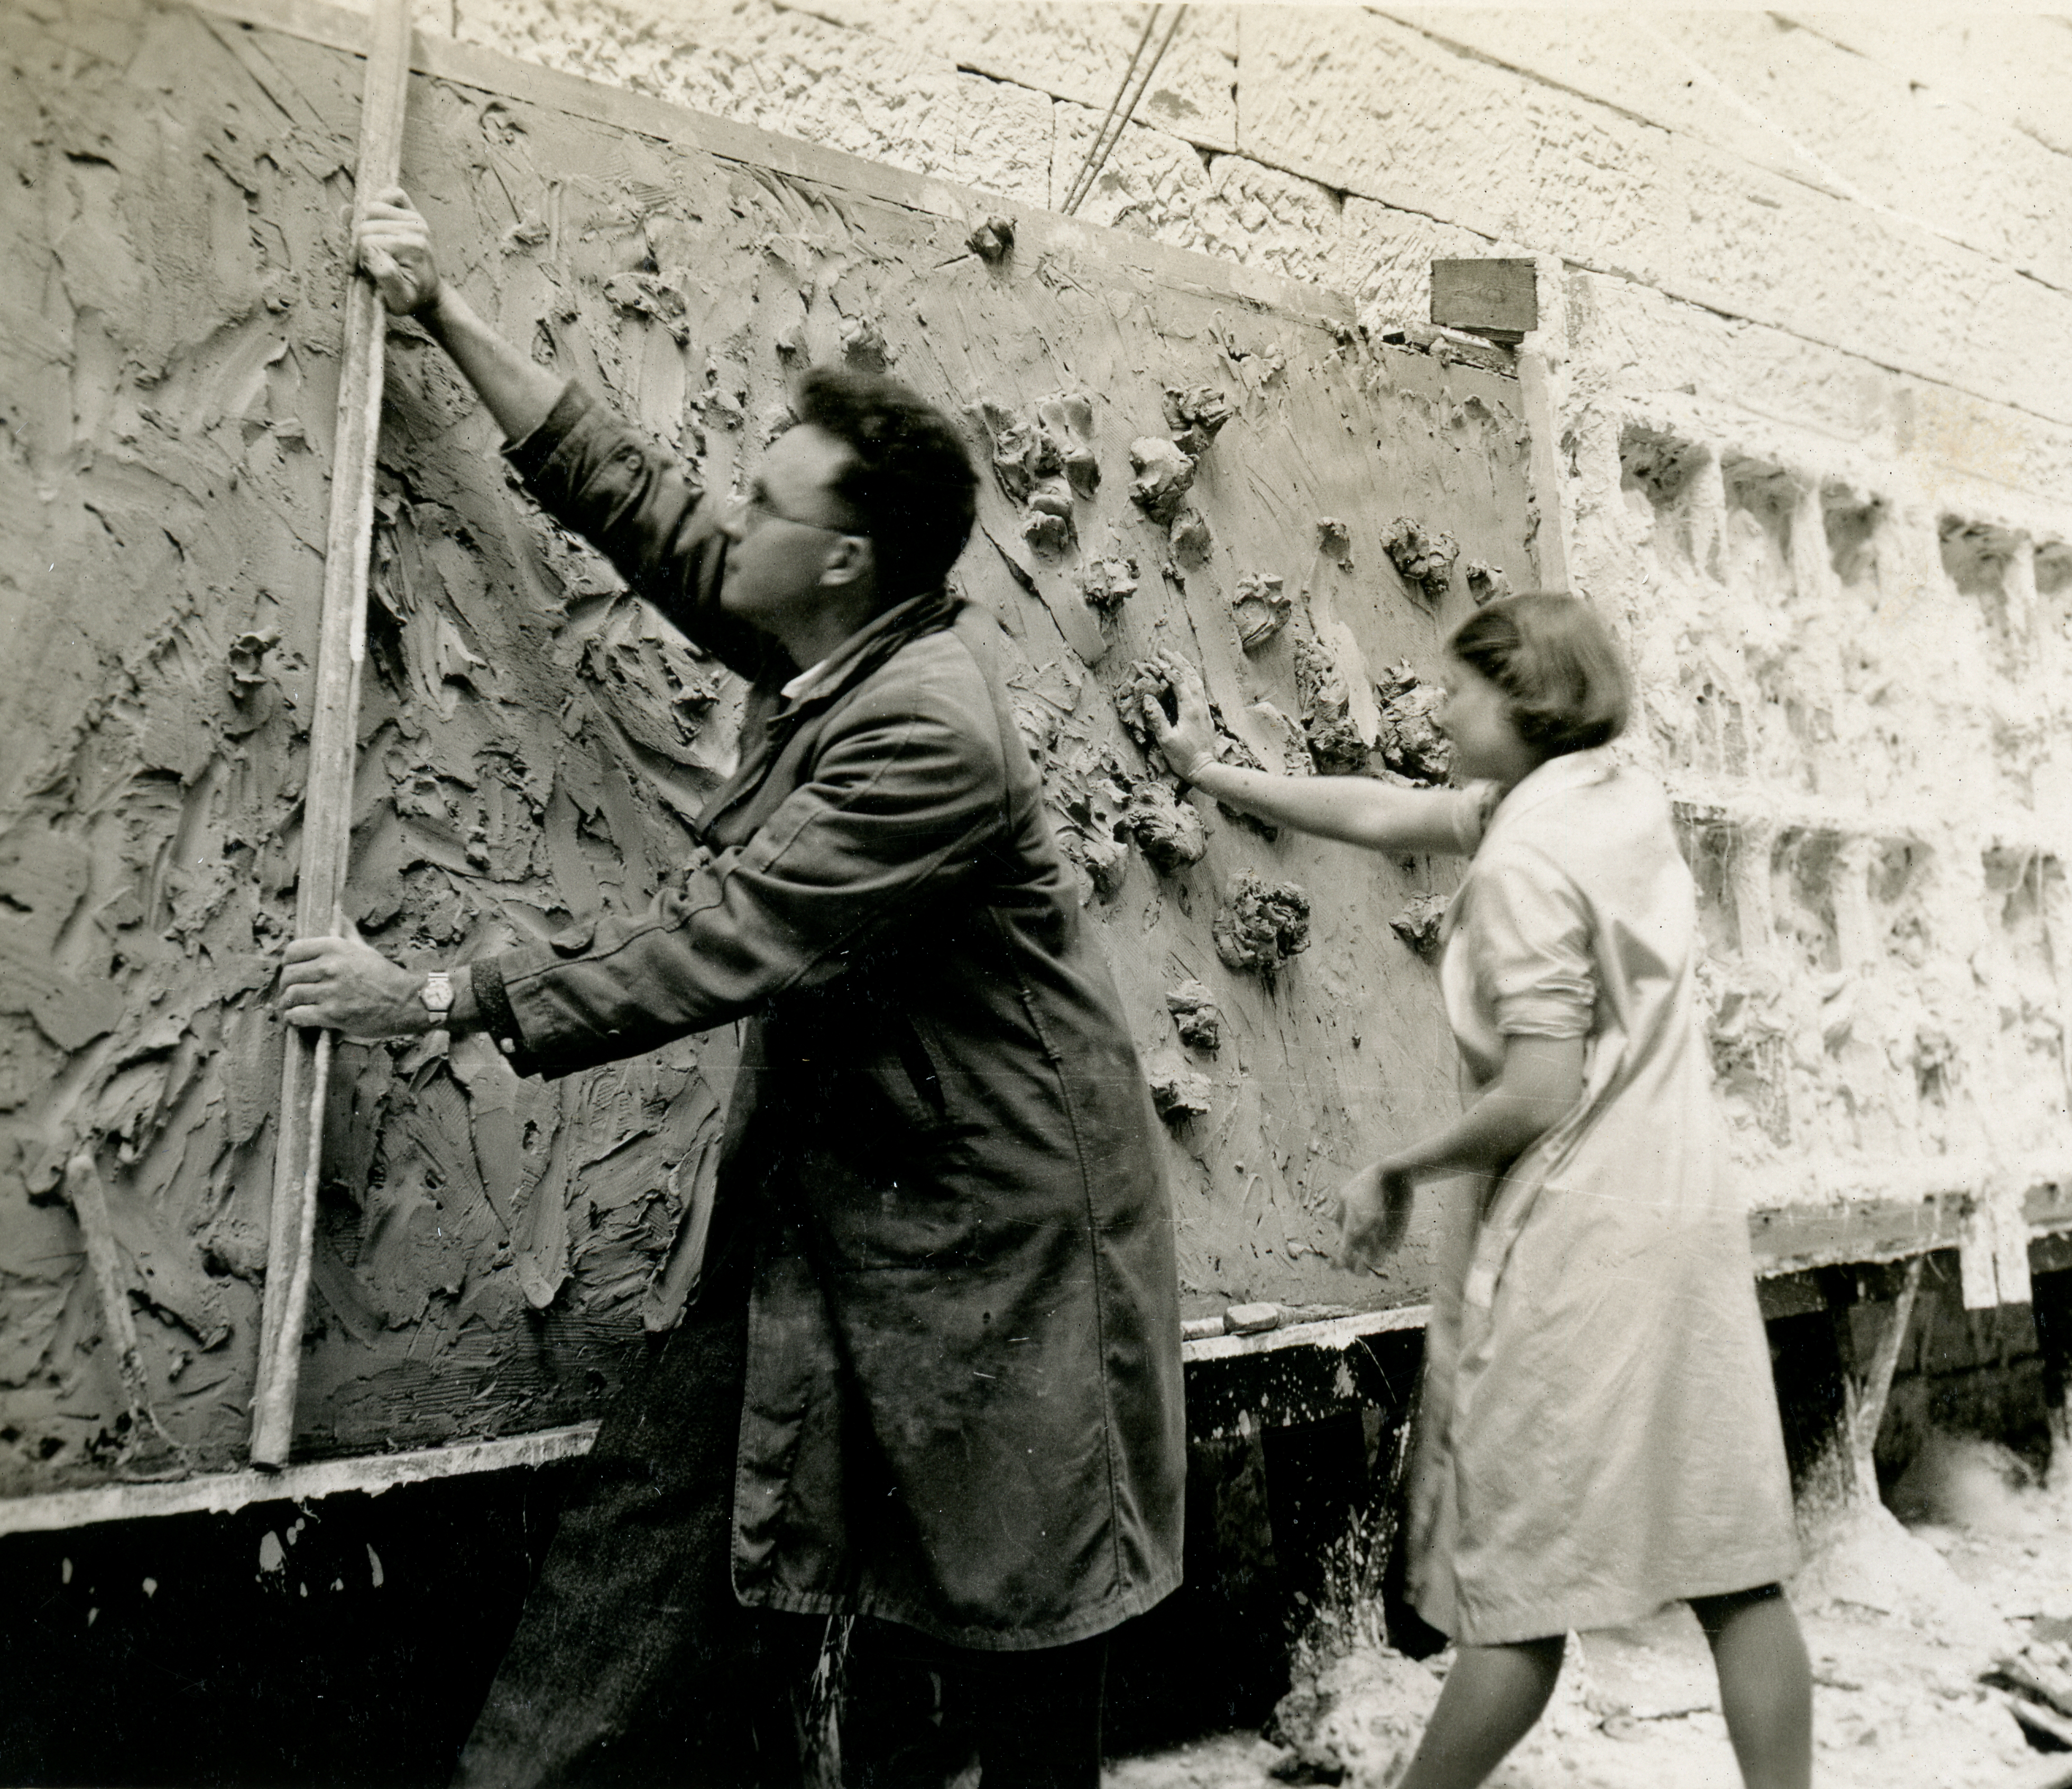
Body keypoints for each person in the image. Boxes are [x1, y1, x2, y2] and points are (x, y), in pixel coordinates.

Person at [278, 191, 1184, 1789]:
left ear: (839, 559)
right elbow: (660, 525)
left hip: (992, 1244)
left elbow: (721, 941)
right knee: (664, 1525)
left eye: (766, 501)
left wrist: (424, 1001)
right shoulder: (844, 638)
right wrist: (446, 310)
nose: (731, 517)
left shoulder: (926, 734)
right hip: (829, 1205)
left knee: (1017, 1637)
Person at [1141, 596, 1811, 1789]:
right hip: (1679, 1213)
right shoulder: (1611, 800)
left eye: (1459, 690)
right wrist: (1219, 778)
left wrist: (1399, 1166)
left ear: (1527, 703)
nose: (1434, 705)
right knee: (1730, 1563)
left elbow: (1541, 1087)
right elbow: (1379, 812)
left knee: (1515, 1592)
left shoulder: (1521, 867)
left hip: (1578, 1235)